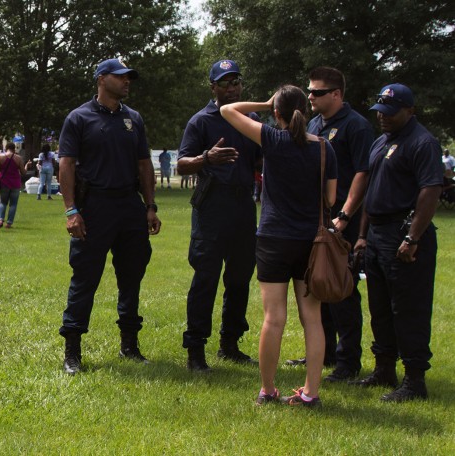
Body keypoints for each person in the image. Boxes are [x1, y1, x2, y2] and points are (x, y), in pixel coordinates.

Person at [221, 85, 337, 407]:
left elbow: (227, 111)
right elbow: (330, 198)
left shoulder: (271, 139)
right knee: (312, 319)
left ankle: (267, 390)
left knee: (274, 318)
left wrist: (263, 101)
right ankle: (311, 393)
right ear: (307, 110)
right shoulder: (325, 148)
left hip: (273, 239)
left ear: (276, 113)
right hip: (310, 243)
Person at [58, 58, 161, 375]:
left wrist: (150, 205)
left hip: (129, 206)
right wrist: (72, 210)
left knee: (132, 276)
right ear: (102, 80)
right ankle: (72, 352)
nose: (127, 81)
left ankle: (129, 344)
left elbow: (145, 165)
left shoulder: (134, 119)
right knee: (85, 278)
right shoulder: (79, 118)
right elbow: (66, 166)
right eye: (121, 77)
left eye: (129, 77)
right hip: (94, 207)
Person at [350, 84, 442, 402]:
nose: (383, 119)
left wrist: (412, 238)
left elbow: (430, 191)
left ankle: (414, 380)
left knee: (408, 309)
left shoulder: (422, 143)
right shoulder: (381, 143)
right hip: (376, 233)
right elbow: (370, 193)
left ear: (410, 111)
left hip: (403, 234)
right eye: (380, 113)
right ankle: (384, 369)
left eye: (390, 113)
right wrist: (362, 236)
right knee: (380, 308)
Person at [285, 67, 374, 382]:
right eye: (309, 91)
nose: (310, 96)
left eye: (317, 92)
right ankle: (320, 354)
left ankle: (348, 362)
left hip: (341, 222)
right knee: (317, 286)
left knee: (341, 288)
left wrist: (345, 215)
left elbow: (363, 174)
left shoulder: (356, 126)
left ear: (336, 94)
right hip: (316, 219)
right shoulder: (311, 124)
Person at [177, 59, 261, 371]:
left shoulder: (249, 120)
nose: (231, 87)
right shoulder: (201, 121)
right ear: (213, 87)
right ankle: (195, 349)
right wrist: (206, 157)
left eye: (235, 81)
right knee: (206, 279)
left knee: (239, 278)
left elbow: (263, 159)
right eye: (224, 82)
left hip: (242, 206)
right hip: (212, 206)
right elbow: (182, 164)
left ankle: (230, 343)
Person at [0, 142, 26, 228]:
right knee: (13, 204)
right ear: (14, 148)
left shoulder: (1, 157)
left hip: (4, 182)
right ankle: (9, 223)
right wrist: (27, 166)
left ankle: (1, 219)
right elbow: (23, 172)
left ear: (6, 148)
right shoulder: (18, 158)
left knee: (3, 202)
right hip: (15, 183)